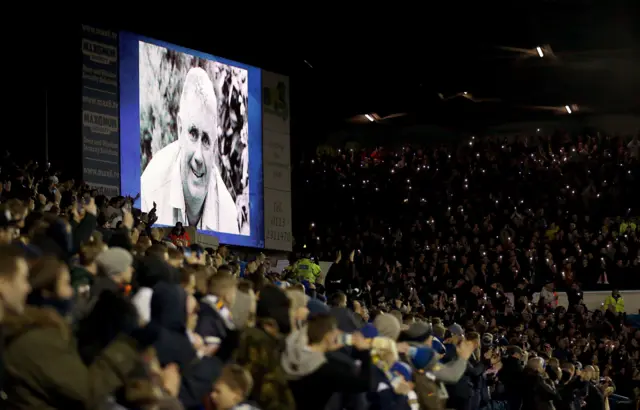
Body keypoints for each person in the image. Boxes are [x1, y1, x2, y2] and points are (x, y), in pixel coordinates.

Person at [140, 67, 238, 234]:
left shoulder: (227, 214)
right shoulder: (151, 188)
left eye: (206, 140)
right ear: (180, 129)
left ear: (214, 146)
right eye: (193, 134)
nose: (199, 156)